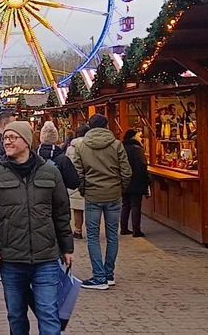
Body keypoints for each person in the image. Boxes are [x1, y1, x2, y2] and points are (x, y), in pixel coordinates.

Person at [0, 121, 73, 335]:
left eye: (13, 137)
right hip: (11, 259)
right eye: (5, 137)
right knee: (16, 315)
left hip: (45, 258)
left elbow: (61, 212)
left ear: (27, 141)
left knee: (48, 313)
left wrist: (67, 248)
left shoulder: (50, 172)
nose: (7, 141)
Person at [71, 114, 131, 290]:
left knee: (93, 237)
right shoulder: (116, 145)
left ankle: (99, 276)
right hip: (113, 195)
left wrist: (84, 189)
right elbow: (126, 171)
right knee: (113, 236)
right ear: (106, 126)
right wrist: (120, 189)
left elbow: (78, 173)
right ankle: (109, 274)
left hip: (93, 196)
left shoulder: (81, 146)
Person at [37, 121, 80, 202]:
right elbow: (73, 182)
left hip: (36, 201)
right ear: (55, 138)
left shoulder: (31, 157)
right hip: (59, 201)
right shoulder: (63, 160)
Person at [121, 129, 149, 238]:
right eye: (138, 135)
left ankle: (123, 228)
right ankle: (136, 230)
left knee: (125, 205)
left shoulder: (121, 147)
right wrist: (146, 179)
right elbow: (142, 165)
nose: (140, 137)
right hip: (136, 179)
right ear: (133, 137)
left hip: (124, 180)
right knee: (136, 205)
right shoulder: (137, 149)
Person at [65, 125, 89, 239]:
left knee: (77, 208)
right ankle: (92, 230)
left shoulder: (70, 148)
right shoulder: (90, 147)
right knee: (90, 207)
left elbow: (67, 164)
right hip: (89, 180)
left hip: (74, 180)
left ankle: (78, 230)